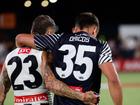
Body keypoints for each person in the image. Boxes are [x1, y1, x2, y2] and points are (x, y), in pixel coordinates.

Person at [15, 12, 122, 105]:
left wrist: (40, 54)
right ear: (94, 30)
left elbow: (20, 38)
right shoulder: (101, 46)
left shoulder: (58, 39)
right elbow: (113, 80)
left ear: (76, 28)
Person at [0, 15, 99, 105]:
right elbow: (52, 84)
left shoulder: (10, 56)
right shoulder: (45, 55)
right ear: (49, 33)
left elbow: (1, 94)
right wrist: (82, 96)